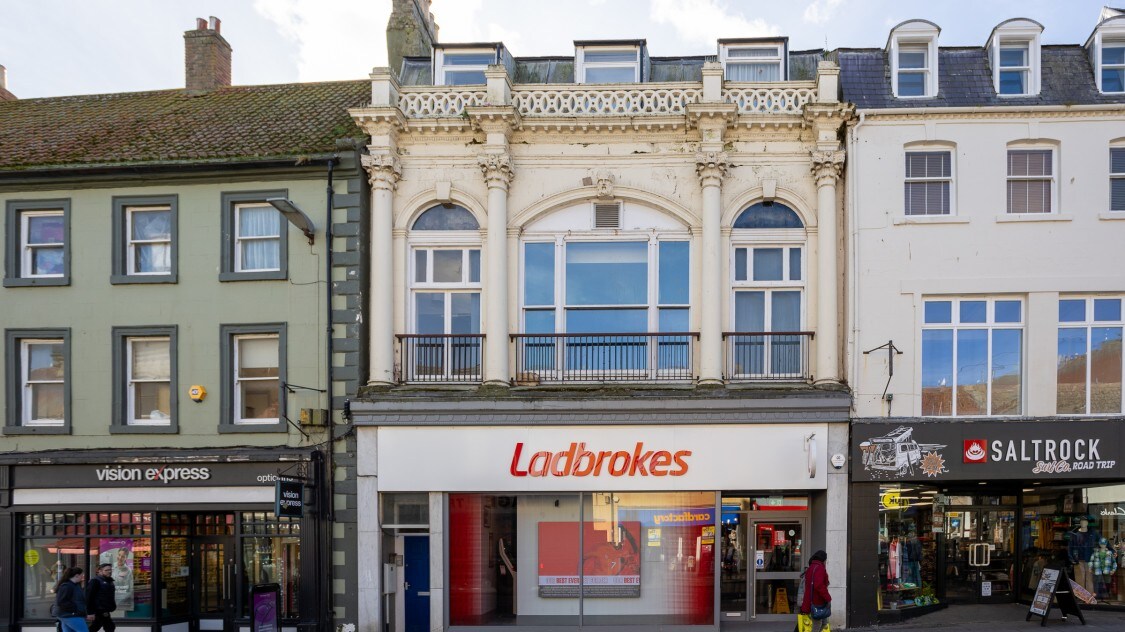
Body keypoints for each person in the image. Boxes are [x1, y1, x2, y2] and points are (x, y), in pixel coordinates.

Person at [800, 550, 832, 632]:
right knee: (817, 624)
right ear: (823, 559)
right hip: (817, 602)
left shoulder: (812, 567)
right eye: (825, 559)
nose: (826, 561)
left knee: (824, 623)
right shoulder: (819, 568)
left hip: (815, 600)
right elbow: (819, 586)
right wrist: (828, 598)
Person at [53, 567, 88, 632]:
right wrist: (75, 610)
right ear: (77, 575)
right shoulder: (67, 586)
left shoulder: (75, 585)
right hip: (70, 615)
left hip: (67, 614)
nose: (83, 577)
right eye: (82, 575)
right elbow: (61, 602)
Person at [85, 563, 117, 632]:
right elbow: (89, 597)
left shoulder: (109, 581)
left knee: (97, 626)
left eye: (110, 570)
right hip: (99, 609)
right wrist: (90, 612)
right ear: (100, 571)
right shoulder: (95, 581)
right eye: (106, 570)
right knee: (109, 626)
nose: (109, 571)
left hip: (104, 609)